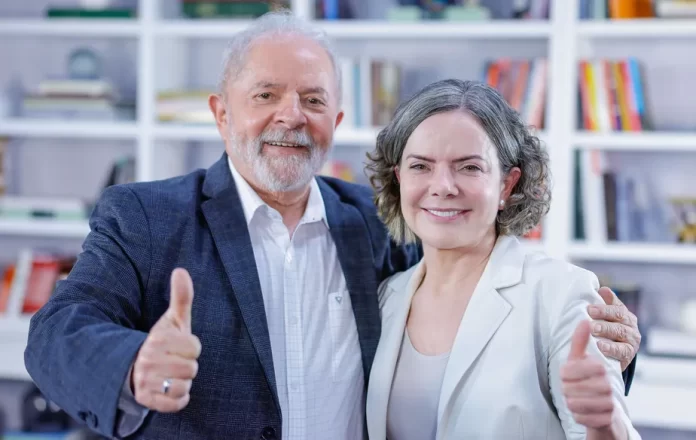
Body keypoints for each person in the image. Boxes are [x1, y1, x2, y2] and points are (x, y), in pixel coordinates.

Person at [23, 11, 641, 440]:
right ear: (221, 114)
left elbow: (486, 315)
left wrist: (610, 351)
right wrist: (134, 364)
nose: (291, 115)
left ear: (337, 120)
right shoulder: (145, 217)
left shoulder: (377, 225)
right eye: (265, 94)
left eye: (313, 100)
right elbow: (55, 333)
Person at [364, 79, 641, 439]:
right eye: (420, 166)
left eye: (469, 167)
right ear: (399, 178)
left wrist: (603, 425)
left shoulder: (561, 293)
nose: (443, 186)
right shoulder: (385, 298)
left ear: (506, 185)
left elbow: (601, 427)